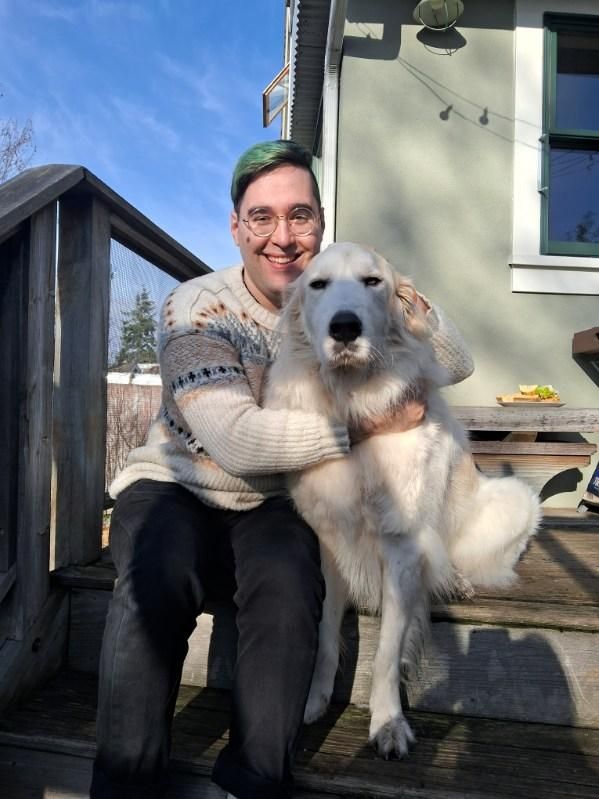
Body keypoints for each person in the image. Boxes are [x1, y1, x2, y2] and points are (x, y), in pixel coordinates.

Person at [90, 139, 474, 799]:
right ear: (237, 228)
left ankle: (253, 782)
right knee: (157, 570)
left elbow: (455, 358)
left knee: (293, 582)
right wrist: (370, 423)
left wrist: (395, 291)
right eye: (262, 217)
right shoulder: (196, 305)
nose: (283, 236)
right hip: (177, 482)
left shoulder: (346, 289)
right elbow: (234, 440)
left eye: (299, 216)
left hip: (271, 500)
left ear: (320, 225)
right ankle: (125, 784)